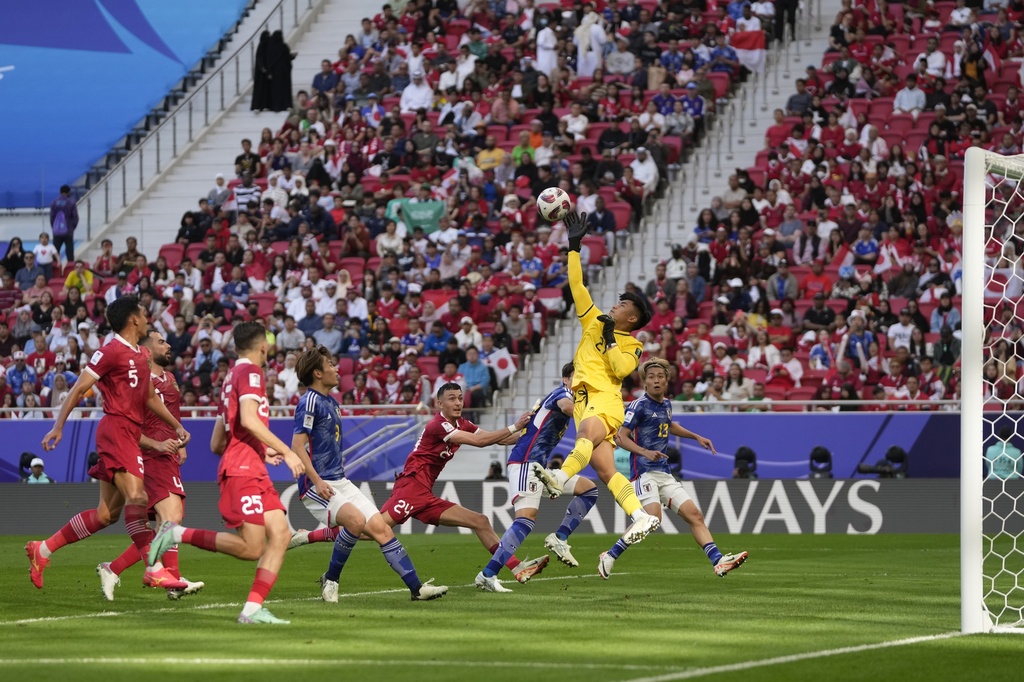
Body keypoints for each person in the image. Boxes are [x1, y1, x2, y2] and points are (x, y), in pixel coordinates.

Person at [28, 296, 191, 591]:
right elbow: (80, 388)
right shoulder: (110, 351)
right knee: (138, 498)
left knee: (106, 514)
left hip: (129, 433)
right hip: (117, 430)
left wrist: (176, 425)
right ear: (134, 320)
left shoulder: (141, 354)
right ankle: (154, 568)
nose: (146, 317)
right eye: (143, 313)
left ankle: (42, 550)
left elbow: (151, 397)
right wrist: (58, 426)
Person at [147, 321, 305, 625]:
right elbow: (247, 419)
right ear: (263, 346)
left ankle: (252, 609)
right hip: (243, 471)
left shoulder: (231, 378)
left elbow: (217, 441)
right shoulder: (251, 373)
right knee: (252, 547)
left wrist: (262, 450)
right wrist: (285, 451)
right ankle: (175, 533)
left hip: (251, 466)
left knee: (282, 534)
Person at [533, 211, 661, 547]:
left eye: (622, 305)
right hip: (582, 400)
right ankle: (641, 516)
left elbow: (620, 370)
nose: (615, 306)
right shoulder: (594, 320)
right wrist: (573, 246)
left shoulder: (633, 344)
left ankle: (559, 477)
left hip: (605, 399)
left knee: (586, 436)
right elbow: (577, 285)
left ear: (631, 318)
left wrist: (611, 338)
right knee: (606, 471)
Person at [285, 346, 448, 602]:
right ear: (317, 372)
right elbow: (296, 446)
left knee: (381, 529)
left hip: (339, 479)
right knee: (355, 521)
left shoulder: (332, 403)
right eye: (331, 365)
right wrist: (317, 481)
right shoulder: (309, 401)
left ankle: (417, 589)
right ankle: (332, 580)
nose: (337, 369)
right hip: (316, 483)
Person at [377, 383, 547, 585]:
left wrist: (534, 432)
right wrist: (515, 426)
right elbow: (480, 442)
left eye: (460, 397)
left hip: (424, 494)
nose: (458, 402)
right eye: (452, 398)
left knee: (480, 521)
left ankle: (517, 567)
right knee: (373, 530)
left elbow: (500, 440)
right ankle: (330, 532)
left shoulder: (462, 424)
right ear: (439, 403)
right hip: (411, 489)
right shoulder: (437, 425)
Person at [600, 358, 749, 578]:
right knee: (652, 519)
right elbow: (621, 437)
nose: (656, 380)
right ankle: (610, 555)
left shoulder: (666, 404)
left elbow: (668, 424)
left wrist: (695, 436)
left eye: (660, 376)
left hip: (664, 473)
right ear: (645, 383)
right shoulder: (638, 405)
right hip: (644, 472)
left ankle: (718, 561)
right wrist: (644, 451)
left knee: (694, 515)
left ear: (667, 380)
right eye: (651, 377)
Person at [97, 330, 204, 600]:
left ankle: (113, 568)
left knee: (163, 526)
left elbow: (170, 417)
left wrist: (179, 442)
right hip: (149, 454)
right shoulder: (138, 382)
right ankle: (174, 580)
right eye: (161, 342)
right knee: (172, 517)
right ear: (146, 349)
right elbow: (129, 424)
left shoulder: (169, 378)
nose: (168, 346)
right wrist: (155, 445)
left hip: (167, 454)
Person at [476, 363, 600, 593]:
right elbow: (567, 407)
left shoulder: (549, 406)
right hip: (526, 463)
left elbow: (522, 435)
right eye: (577, 376)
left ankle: (560, 538)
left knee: (589, 489)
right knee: (526, 519)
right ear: (566, 379)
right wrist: (596, 416)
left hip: (539, 468)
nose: (582, 381)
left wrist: (499, 437)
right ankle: (487, 575)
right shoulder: (563, 394)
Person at [49, 184, 79, 261]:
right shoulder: (71, 203)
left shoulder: (54, 202)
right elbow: (75, 217)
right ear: (69, 192)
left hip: (57, 231)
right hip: (68, 231)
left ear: (60, 192)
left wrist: (54, 227)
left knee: (55, 252)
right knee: (69, 252)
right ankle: (70, 268)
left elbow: (52, 217)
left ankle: (55, 269)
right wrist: (71, 228)